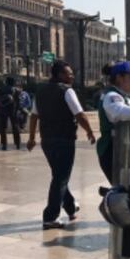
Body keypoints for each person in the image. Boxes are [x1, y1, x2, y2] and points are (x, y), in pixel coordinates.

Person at [27, 61, 96, 229]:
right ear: (58, 75)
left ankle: (71, 207)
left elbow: (34, 116)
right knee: (61, 177)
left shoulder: (41, 91)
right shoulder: (67, 91)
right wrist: (90, 131)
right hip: (64, 139)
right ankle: (50, 217)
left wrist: (31, 138)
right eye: (68, 73)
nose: (71, 76)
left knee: (59, 175)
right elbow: (79, 114)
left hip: (47, 140)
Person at [0, 76, 21, 150]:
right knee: (15, 127)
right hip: (13, 110)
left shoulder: (0, 89)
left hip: (3, 110)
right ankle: (17, 144)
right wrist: (17, 110)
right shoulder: (16, 90)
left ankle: (4, 145)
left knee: (3, 128)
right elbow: (18, 101)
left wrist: (0, 109)